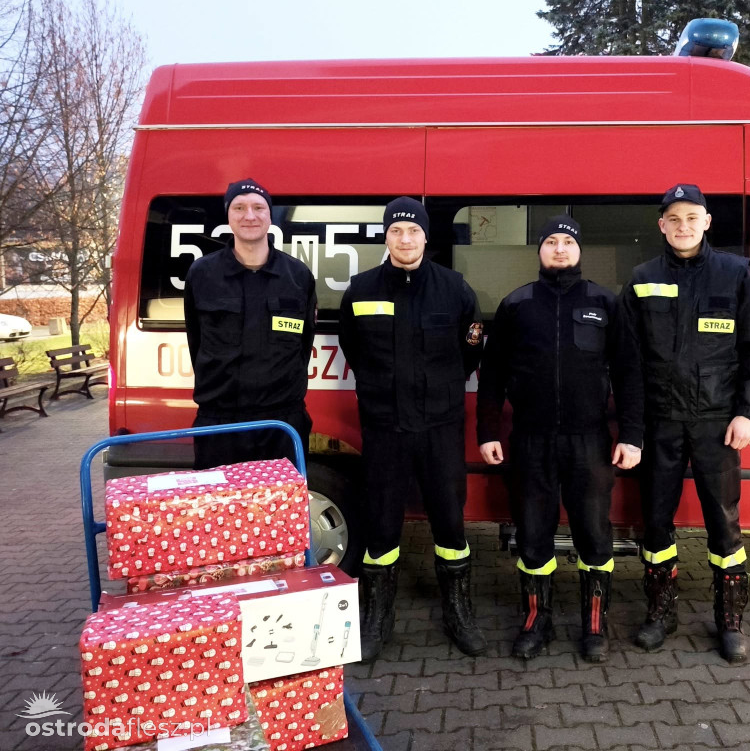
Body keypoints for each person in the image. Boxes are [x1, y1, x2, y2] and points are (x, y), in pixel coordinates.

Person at [477, 216, 643, 663]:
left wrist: (631, 435)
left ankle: (594, 625)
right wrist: (488, 431)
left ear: (579, 250)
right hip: (530, 440)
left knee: (594, 534)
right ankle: (536, 620)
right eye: (550, 241)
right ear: (539, 251)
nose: (559, 248)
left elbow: (629, 374)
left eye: (567, 241)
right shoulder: (517, 305)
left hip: (589, 441)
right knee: (533, 534)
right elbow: (491, 375)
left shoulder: (605, 302)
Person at [620, 184, 750, 663]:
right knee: (656, 525)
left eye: (692, 217)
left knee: (724, 527)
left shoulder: (736, 275)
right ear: (661, 225)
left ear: (707, 221)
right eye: (673, 218)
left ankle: (729, 623)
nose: (683, 225)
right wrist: (633, 429)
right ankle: (660, 615)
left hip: (716, 424)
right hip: (660, 422)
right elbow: (628, 362)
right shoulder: (642, 278)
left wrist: (746, 413)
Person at [339, 196, 486, 661]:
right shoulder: (360, 291)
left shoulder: (454, 288)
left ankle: (458, 613)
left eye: (414, 231)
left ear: (426, 236)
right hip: (385, 429)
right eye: (397, 231)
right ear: (387, 236)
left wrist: (436, 390)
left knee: (449, 523)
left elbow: (470, 352)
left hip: (440, 428)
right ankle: (377, 619)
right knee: (381, 528)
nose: (406, 239)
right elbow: (353, 349)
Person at [184, 178, 316, 470]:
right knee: (219, 512)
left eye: (258, 207)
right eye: (239, 207)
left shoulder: (297, 276)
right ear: (228, 215)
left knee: (279, 514)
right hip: (219, 424)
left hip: (281, 423)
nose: (250, 215)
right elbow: (196, 340)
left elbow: (304, 344)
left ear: (270, 216)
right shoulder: (202, 274)